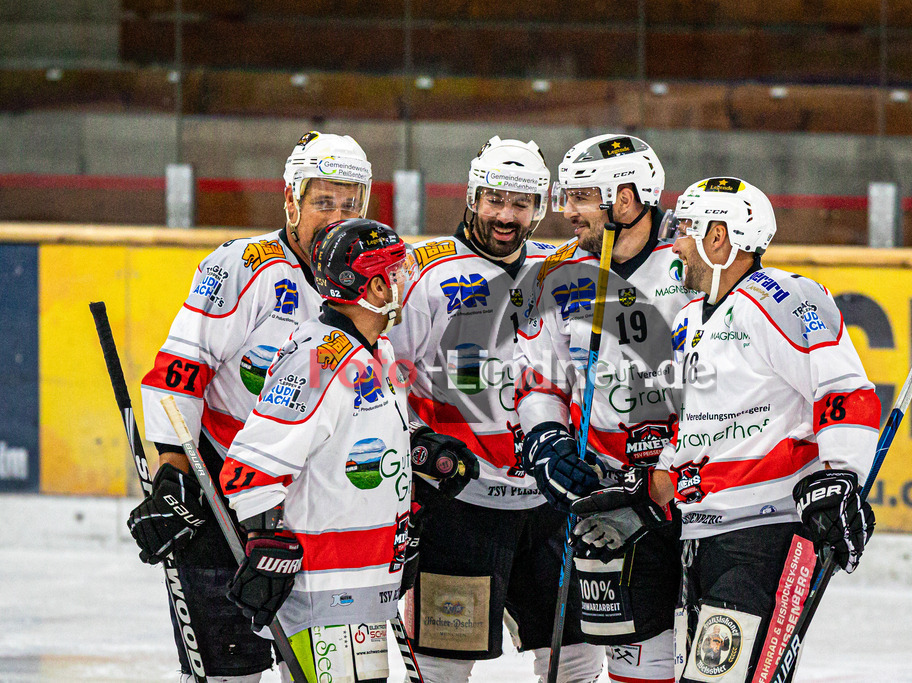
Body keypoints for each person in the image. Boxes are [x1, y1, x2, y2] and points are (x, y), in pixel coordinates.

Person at [570, 177, 879, 683]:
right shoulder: (690, 318)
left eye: (688, 230)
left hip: (765, 535)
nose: (676, 244)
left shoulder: (784, 297)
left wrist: (840, 476)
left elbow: (845, 390)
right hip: (700, 536)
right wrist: (649, 495)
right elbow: (696, 431)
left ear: (721, 239)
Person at [128, 131, 375, 682]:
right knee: (230, 670)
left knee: (327, 673)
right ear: (290, 199)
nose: (338, 217)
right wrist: (174, 473)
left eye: (350, 203)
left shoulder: (376, 272)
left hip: (324, 498)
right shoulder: (243, 266)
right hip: (225, 487)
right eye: (323, 202)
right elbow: (183, 365)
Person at [218, 219, 478, 683]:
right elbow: (249, 468)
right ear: (376, 286)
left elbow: (361, 434)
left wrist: (418, 446)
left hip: (363, 581)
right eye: (398, 273)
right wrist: (266, 548)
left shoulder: (375, 352)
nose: (407, 282)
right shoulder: (320, 358)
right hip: (326, 589)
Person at [388, 136, 603, 682]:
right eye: (495, 200)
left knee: (577, 658)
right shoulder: (424, 272)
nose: (506, 215)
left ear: (540, 206)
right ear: (472, 196)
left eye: (522, 203)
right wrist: (414, 439)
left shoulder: (560, 271)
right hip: (459, 505)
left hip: (549, 503)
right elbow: (385, 374)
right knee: (443, 668)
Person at [513, 134, 693, 683]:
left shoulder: (692, 266)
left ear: (628, 197)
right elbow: (539, 378)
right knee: (634, 657)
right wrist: (546, 440)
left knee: (715, 652)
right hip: (609, 490)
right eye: (565, 196)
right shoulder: (554, 275)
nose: (566, 212)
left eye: (581, 197)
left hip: (689, 486)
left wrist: (668, 473)